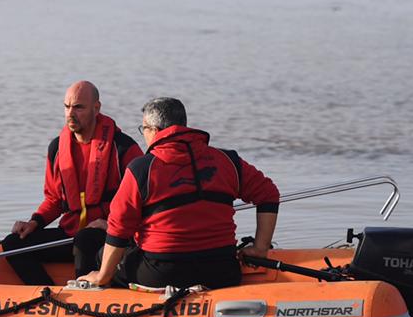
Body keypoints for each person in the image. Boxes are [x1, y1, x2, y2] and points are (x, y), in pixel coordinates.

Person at [79, 97, 280, 290]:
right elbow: (269, 194)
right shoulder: (228, 161)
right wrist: (260, 248)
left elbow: (119, 227)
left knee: (98, 252)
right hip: (223, 270)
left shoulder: (142, 169)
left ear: (154, 131)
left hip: (163, 271)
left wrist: (102, 275)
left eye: (144, 130)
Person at [0, 80, 143, 286]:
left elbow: (141, 204)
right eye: (66, 107)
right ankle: (47, 297)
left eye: (78, 107)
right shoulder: (58, 148)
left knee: (84, 242)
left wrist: (108, 224)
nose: (70, 113)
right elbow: (54, 199)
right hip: (69, 234)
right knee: (13, 244)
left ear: (96, 108)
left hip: (108, 237)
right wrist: (34, 223)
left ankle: (86, 300)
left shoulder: (123, 149)